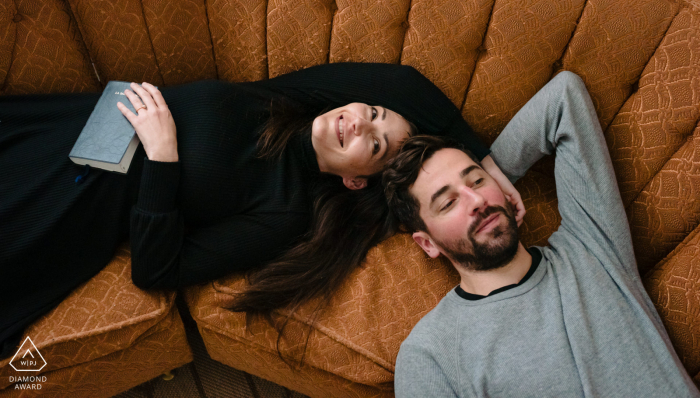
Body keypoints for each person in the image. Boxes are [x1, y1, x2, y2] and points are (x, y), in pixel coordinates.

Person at [0, 62, 523, 360]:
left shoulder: (284, 211)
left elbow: (156, 270)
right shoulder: (286, 99)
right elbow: (406, 82)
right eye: (372, 112)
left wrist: (163, 157)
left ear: (356, 179)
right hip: (60, 125)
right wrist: (485, 159)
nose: (360, 123)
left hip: (71, 200)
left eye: (377, 143)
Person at [384, 71, 699, 397]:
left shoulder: (591, 244)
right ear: (427, 243)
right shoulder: (430, 354)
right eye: (449, 202)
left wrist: (495, 170)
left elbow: (564, 98)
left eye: (477, 181)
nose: (477, 201)